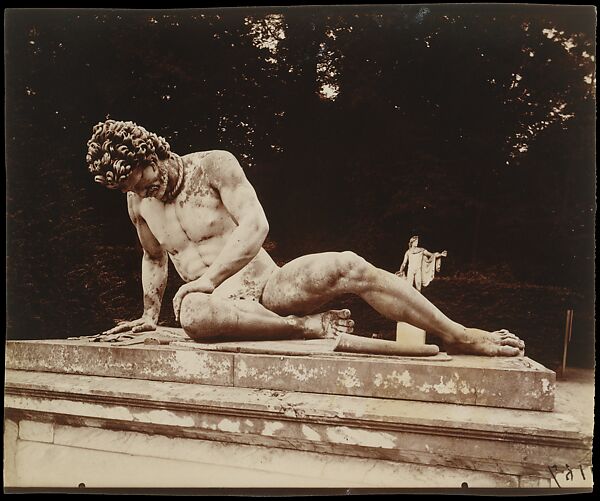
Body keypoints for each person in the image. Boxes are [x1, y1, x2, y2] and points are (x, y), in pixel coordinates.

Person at [85, 120, 524, 356]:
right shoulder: (138, 203)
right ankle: (305, 328)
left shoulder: (214, 166)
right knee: (194, 314)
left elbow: (257, 227)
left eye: (143, 181)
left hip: (266, 288)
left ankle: (459, 334)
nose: (142, 193)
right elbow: (154, 257)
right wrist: (148, 316)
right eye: (130, 190)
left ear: (154, 153)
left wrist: (207, 278)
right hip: (213, 308)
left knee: (347, 264)